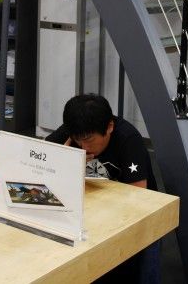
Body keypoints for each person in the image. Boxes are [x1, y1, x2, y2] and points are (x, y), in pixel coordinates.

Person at [47, 95, 158, 282]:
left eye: (89, 139)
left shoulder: (128, 139)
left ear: (109, 127)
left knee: (142, 270)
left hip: (138, 214)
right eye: (77, 139)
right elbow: (38, 158)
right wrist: (64, 158)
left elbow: (139, 198)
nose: (83, 146)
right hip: (93, 211)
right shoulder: (77, 130)